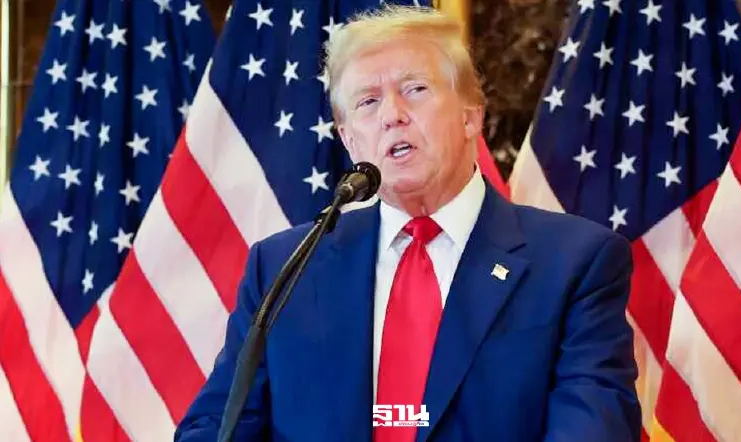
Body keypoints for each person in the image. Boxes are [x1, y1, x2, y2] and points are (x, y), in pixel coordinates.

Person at [175, 5, 641, 441]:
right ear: (349, 140)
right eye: (368, 101)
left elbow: (592, 428)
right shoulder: (285, 267)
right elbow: (217, 424)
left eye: (415, 89)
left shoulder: (574, 263)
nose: (392, 116)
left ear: (470, 116)